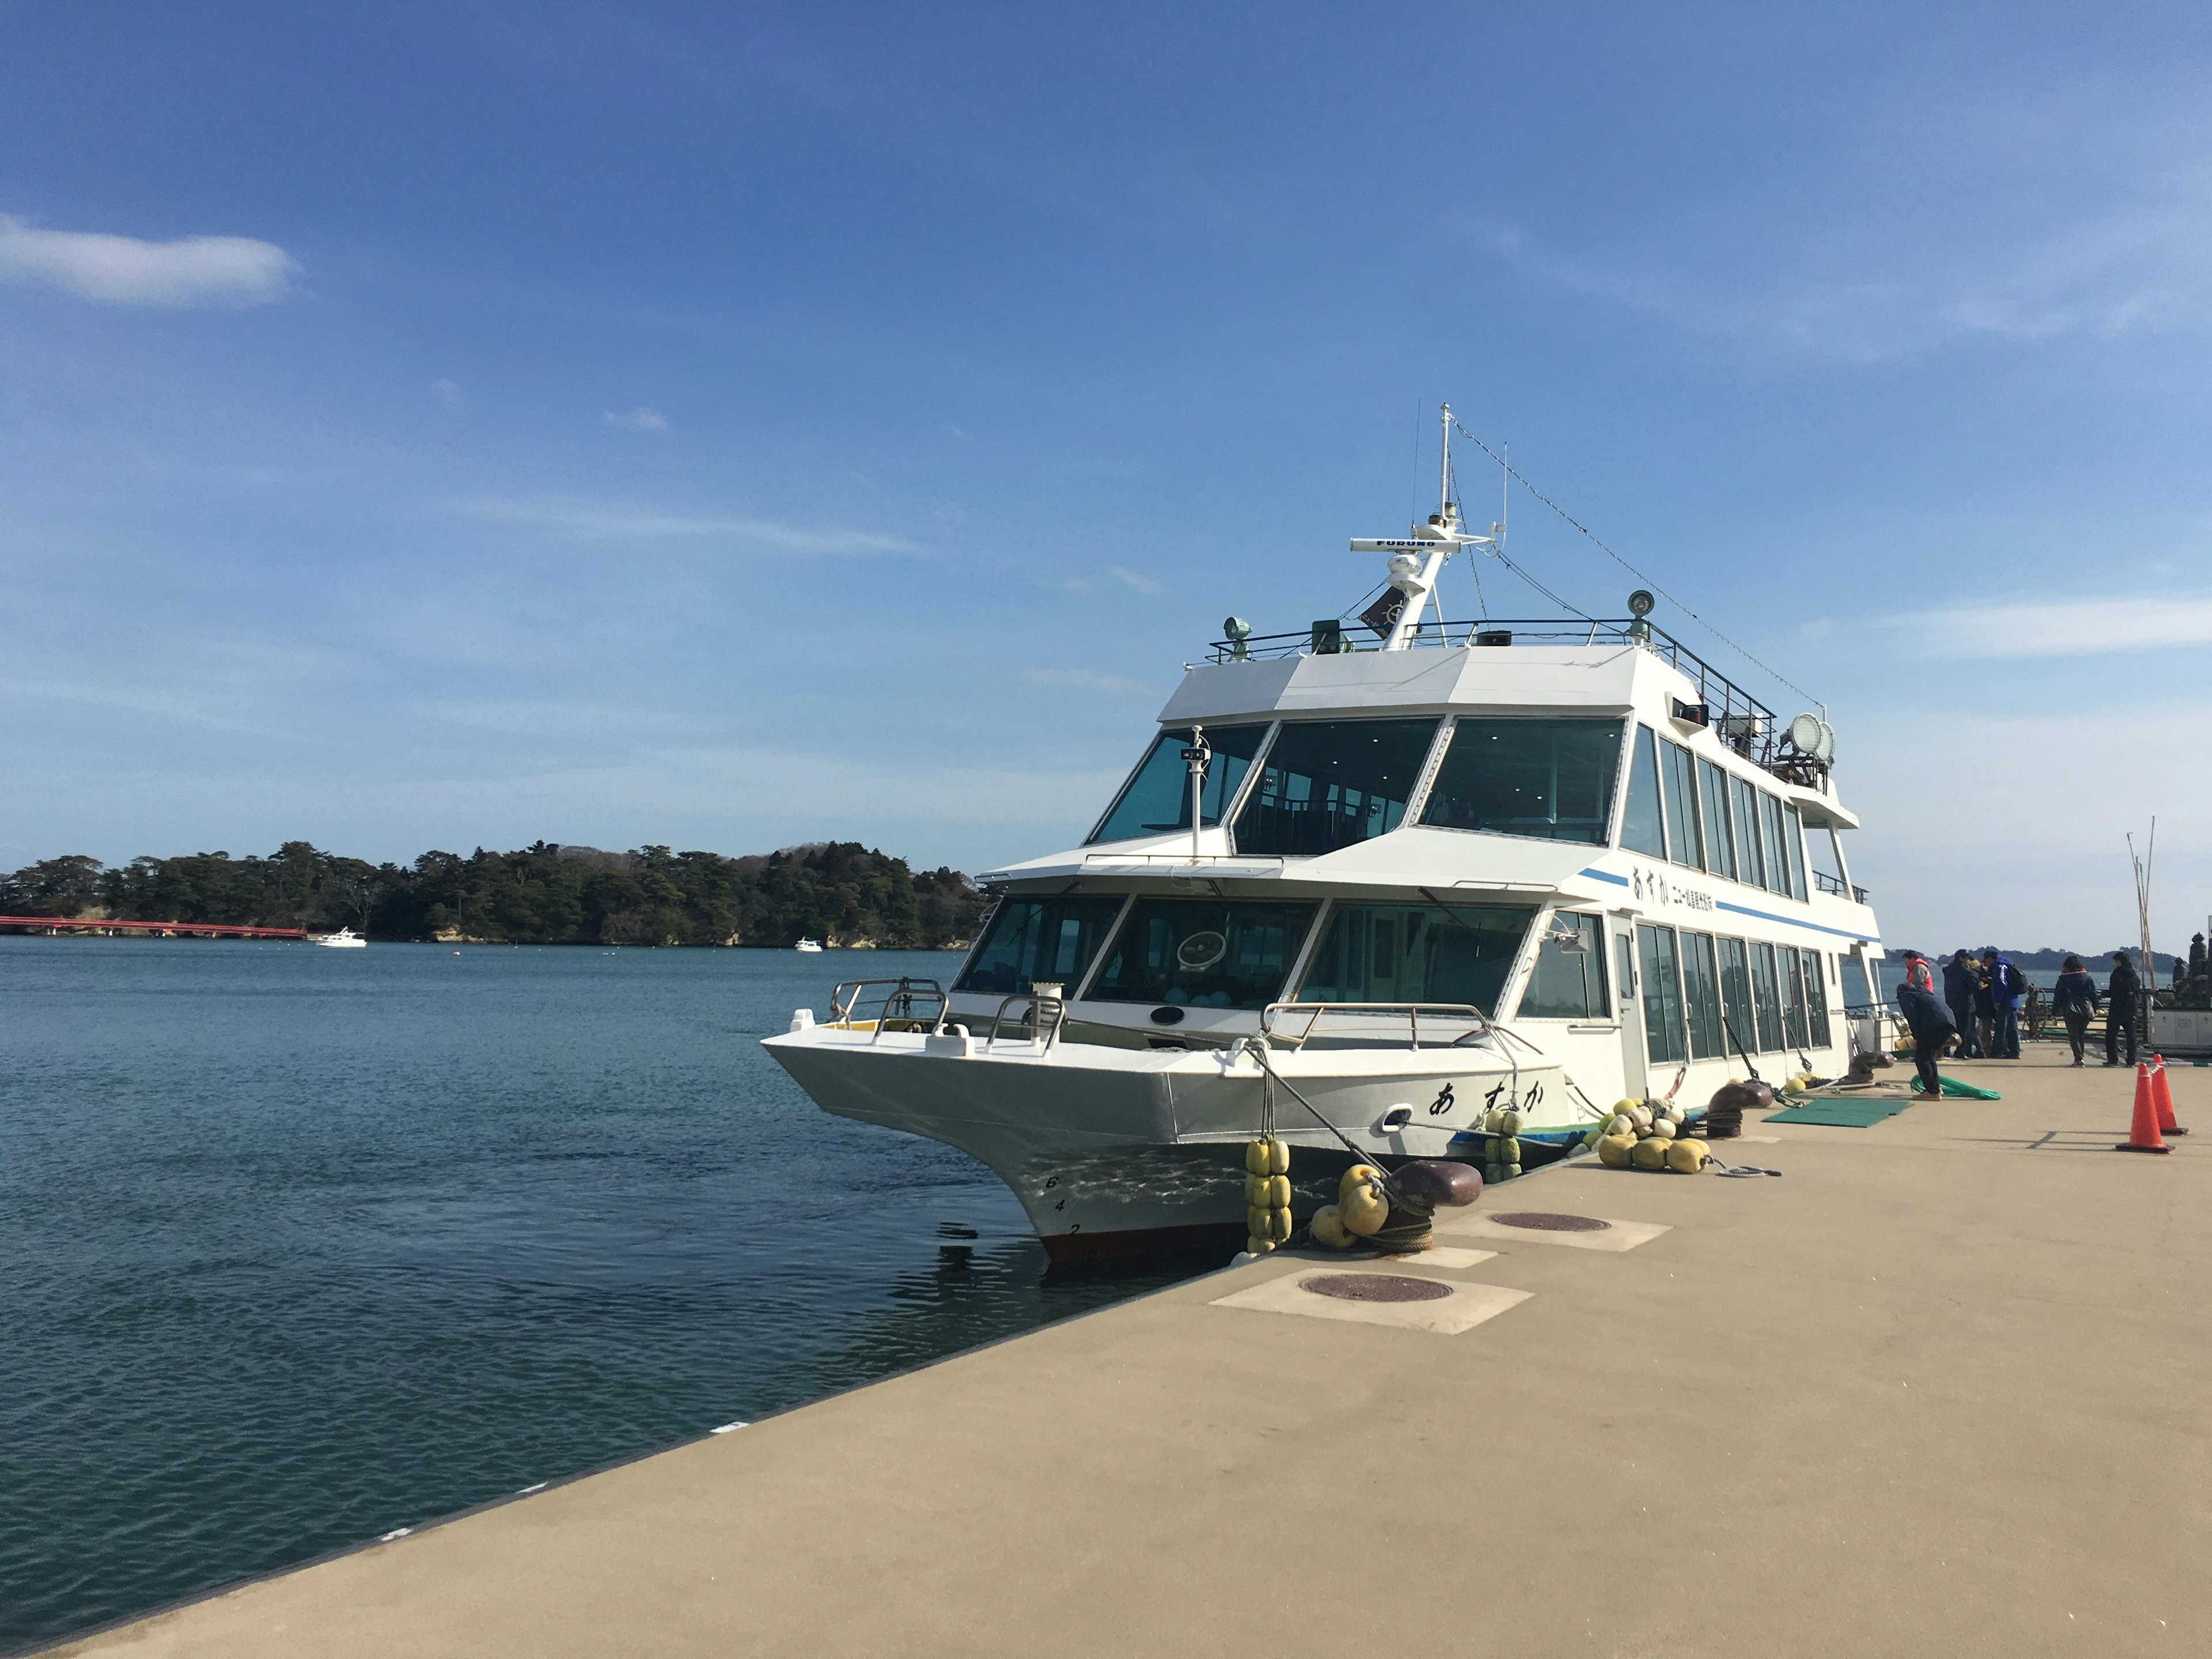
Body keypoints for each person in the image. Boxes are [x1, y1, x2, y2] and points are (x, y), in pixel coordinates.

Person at [1895, 970, 1957, 1100]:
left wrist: (1916, 1037)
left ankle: (1932, 1092)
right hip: (1949, 1023)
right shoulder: (1924, 993)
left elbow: (1913, 1017)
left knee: (1921, 1058)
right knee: (1928, 1056)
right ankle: (1936, 1089)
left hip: (1935, 1026)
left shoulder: (1906, 996)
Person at [2052, 955, 2097, 1067]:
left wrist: (2054, 1011)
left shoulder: (2064, 979)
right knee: (2081, 1034)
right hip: (2086, 1009)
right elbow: (2094, 995)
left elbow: (2058, 996)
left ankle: (2079, 1059)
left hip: (2070, 1009)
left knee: (2073, 1035)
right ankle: (2080, 1057)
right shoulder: (2087, 978)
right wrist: (2095, 1008)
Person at [1941, 949, 1983, 1059]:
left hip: (1951, 1002)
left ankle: (1945, 1051)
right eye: (1967, 958)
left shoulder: (1949, 970)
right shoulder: (1963, 969)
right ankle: (1960, 1052)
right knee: (1964, 1029)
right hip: (1965, 1003)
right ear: (1961, 958)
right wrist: (1976, 973)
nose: (1969, 961)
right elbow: (1975, 983)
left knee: (1951, 1028)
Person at [2104, 950, 2141, 1067]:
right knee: (2131, 1036)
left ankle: (2113, 1059)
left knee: (2111, 1035)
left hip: (2117, 1008)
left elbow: (2113, 991)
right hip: (2131, 1007)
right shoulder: (2134, 975)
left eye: (2115, 962)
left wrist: (2103, 994)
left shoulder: (2117, 974)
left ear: (2118, 962)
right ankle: (2131, 1060)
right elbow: (2137, 991)